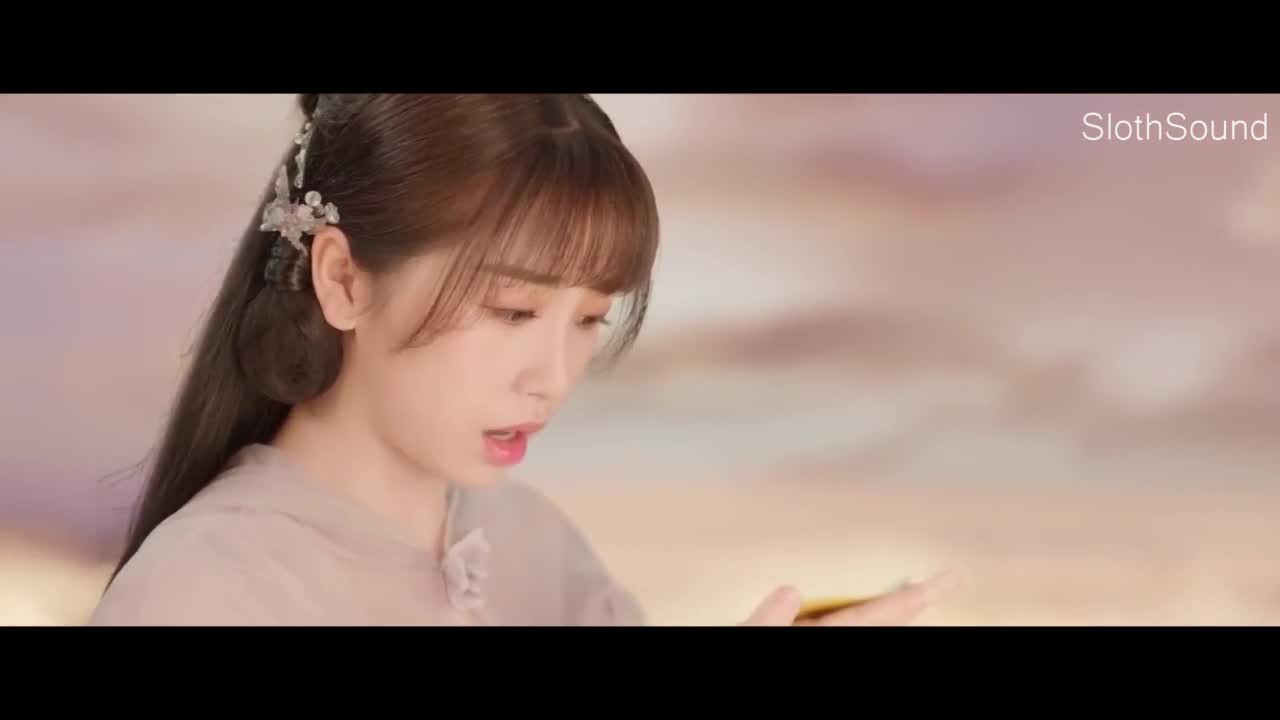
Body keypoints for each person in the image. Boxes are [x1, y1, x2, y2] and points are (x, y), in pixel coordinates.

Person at [90, 93, 956, 626]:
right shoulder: (203, 593)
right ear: (343, 279)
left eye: (590, 319)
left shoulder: (536, 546)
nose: (554, 378)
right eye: (512, 311)